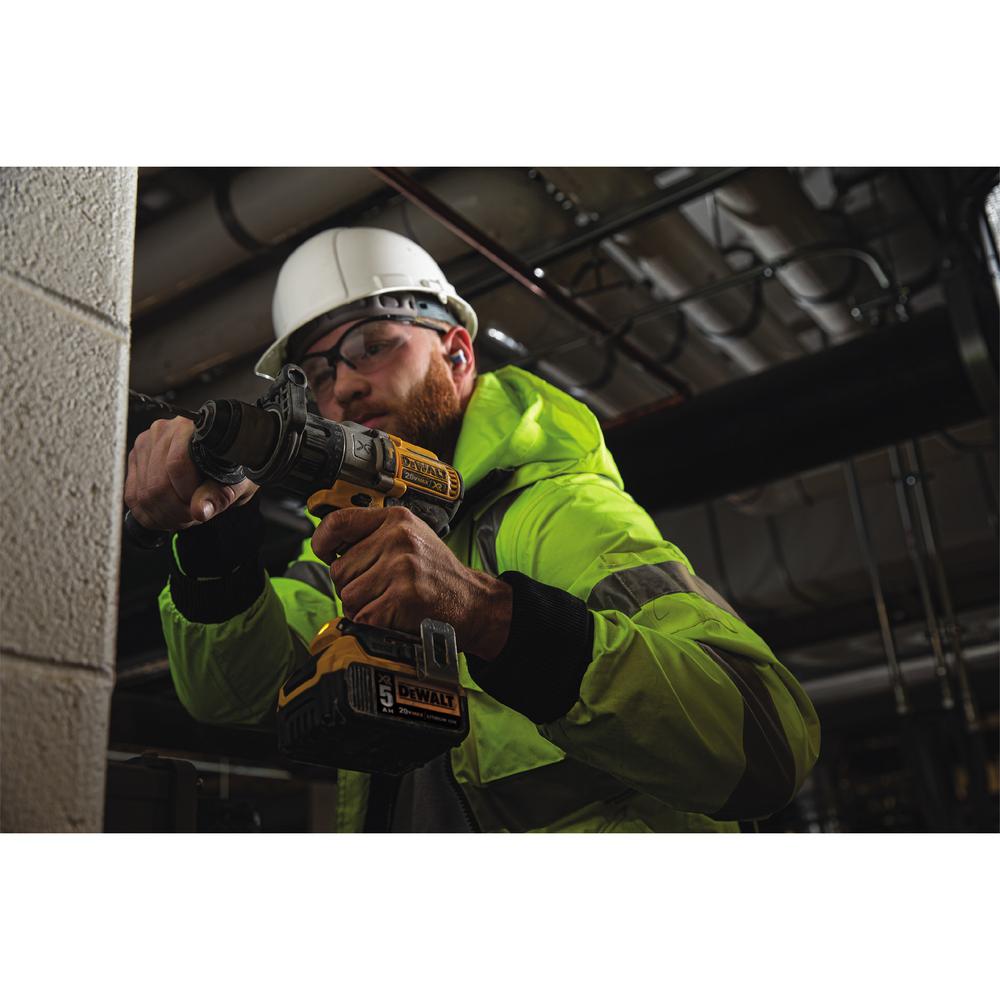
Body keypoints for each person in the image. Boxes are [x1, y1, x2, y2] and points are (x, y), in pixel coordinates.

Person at [125, 226, 820, 832]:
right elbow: (234, 694)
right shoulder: (341, 540)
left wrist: (487, 614)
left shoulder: (554, 513)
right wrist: (212, 541)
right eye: (316, 372)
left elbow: (766, 746)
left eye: (373, 345)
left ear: (458, 353)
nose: (345, 387)